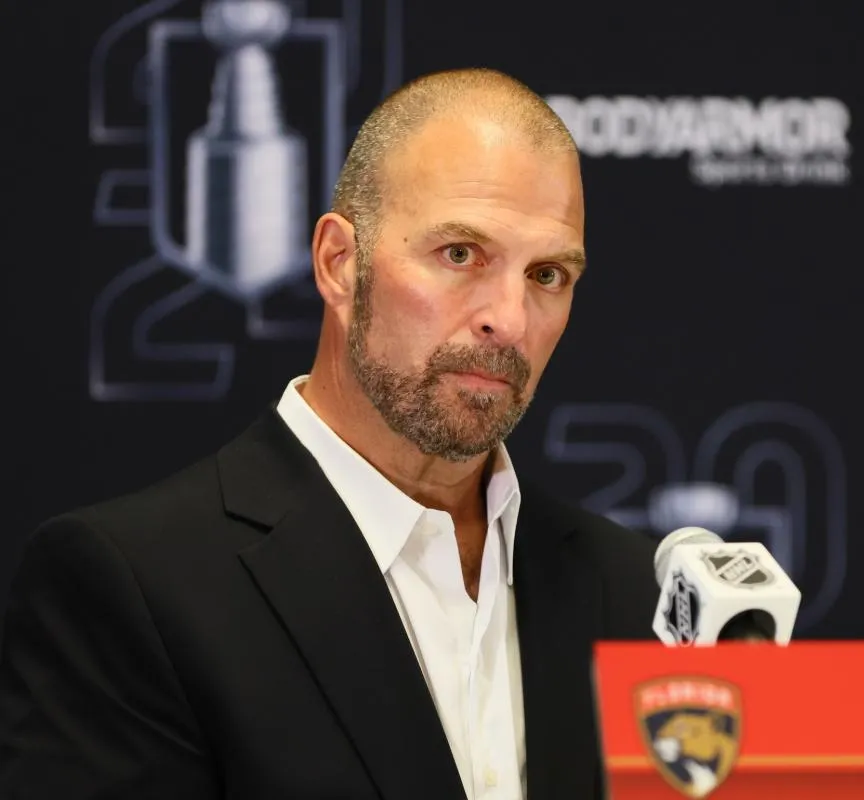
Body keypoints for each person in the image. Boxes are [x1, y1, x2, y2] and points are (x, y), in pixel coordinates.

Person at [0, 68, 661, 799]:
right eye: (460, 255)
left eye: (547, 275)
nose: (508, 319)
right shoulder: (133, 587)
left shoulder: (641, 593)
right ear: (339, 264)